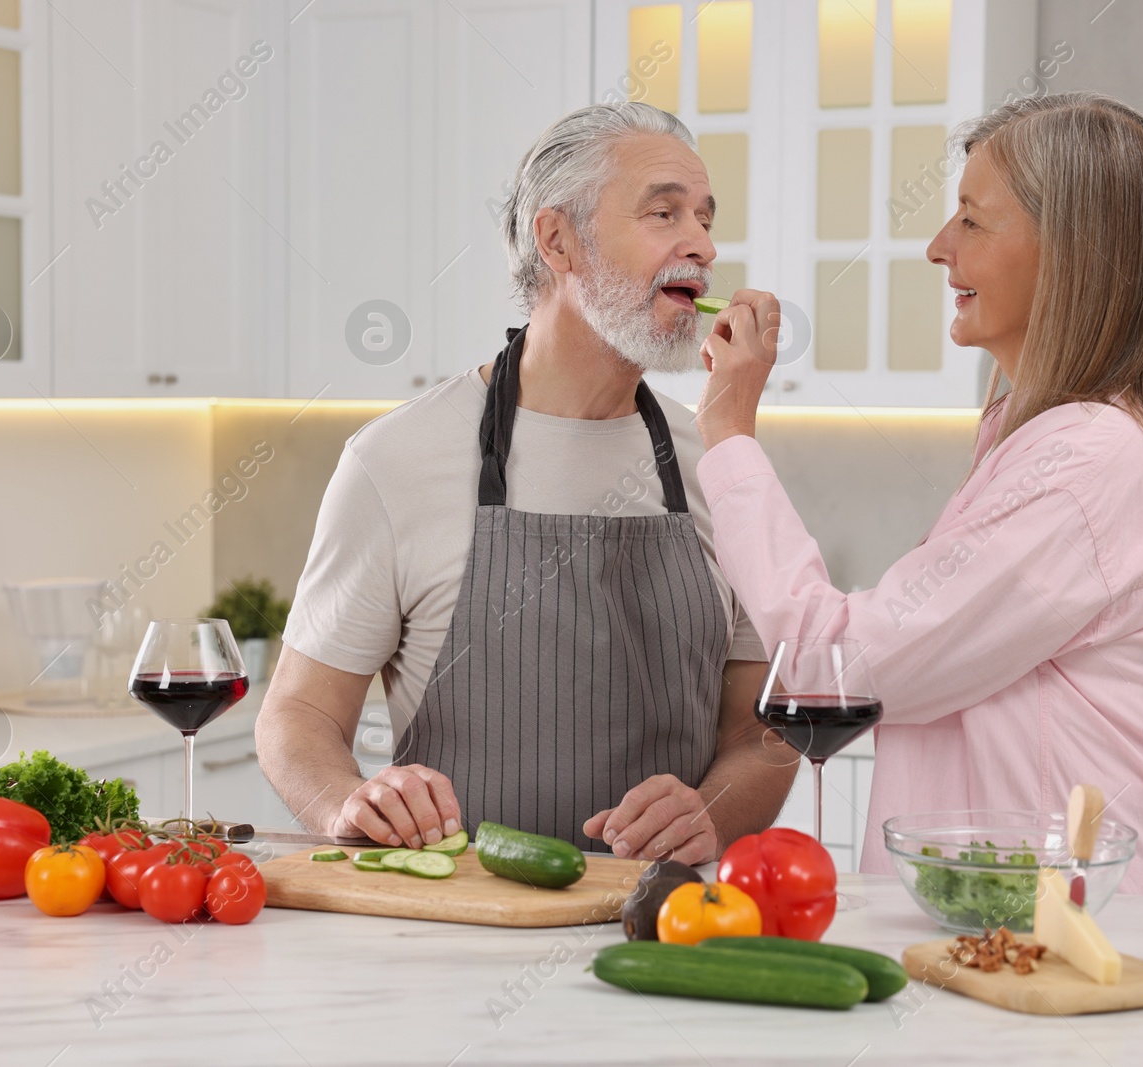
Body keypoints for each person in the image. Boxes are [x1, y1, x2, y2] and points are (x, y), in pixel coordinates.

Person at [692, 93, 1143, 898]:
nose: (937, 247)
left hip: (1057, 942)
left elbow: (831, 666)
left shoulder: (1088, 465)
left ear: (1071, 252)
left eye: (974, 222)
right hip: (1009, 926)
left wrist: (730, 433)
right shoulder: (1045, 435)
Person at [257, 103, 791, 865]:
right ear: (558, 239)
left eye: (705, 219)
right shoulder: (396, 461)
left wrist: (711, 812)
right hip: (451, 934)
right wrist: (346, 802)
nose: (702, 246)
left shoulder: (719, 462)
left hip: (668, 934)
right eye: (664, 212)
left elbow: (759, 734)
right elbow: (298, 714)